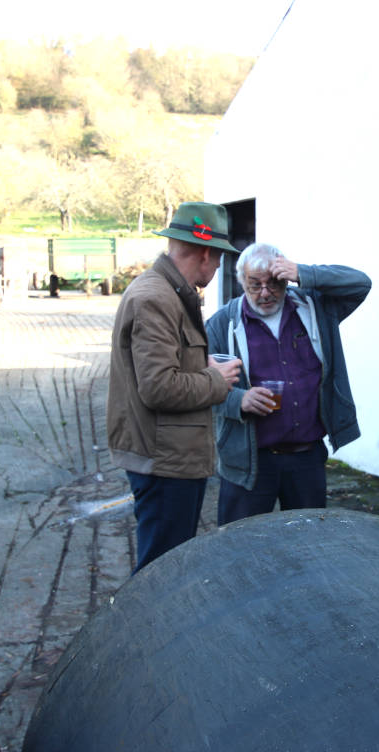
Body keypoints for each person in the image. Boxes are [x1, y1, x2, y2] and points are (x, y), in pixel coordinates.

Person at [107, 201, 242, 574]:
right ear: (205, 253)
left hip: (170, 457)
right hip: (165, 462)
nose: (218, 269)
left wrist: (201, 365)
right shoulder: (156, 298)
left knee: (166, 564)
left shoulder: (168, 291)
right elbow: (158, 387)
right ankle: (147, 632)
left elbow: (163, 367)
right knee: (160, 573)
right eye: (219, 260)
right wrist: (216, 381)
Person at [206, 243, 371, 525]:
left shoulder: (313, 309)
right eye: (254, 285)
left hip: (306, 458)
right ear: (241, 283)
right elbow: (200, 385)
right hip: (250, 461)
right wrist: (238, 400)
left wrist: (303, 273)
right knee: (241, 546)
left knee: (308, 546)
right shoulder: (222, 325)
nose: (266, 293)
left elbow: (360, 284)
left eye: (274, 283)